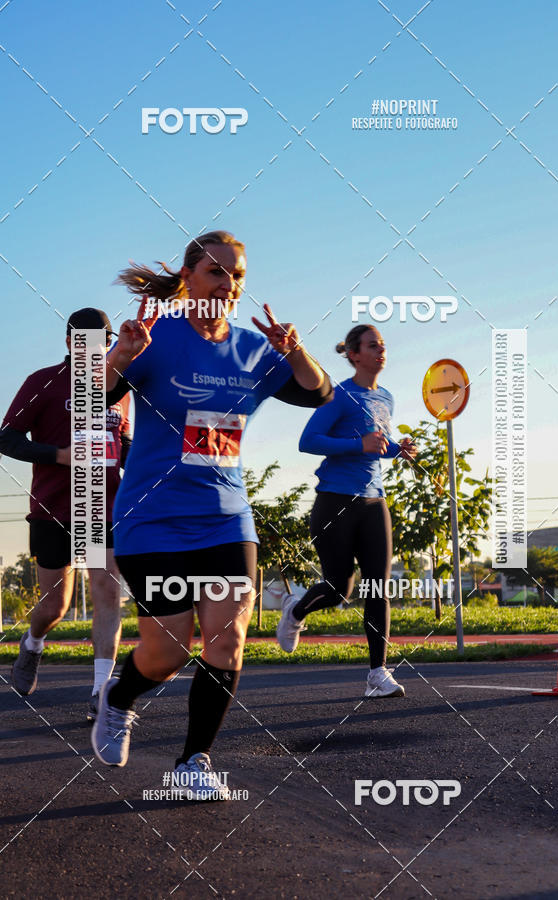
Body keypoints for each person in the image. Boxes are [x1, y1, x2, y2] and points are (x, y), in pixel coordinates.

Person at [91, 230, 332, 799]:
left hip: (225, 517)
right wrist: (120, 357)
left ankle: (193, 762)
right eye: (216, 272)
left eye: (237, 275)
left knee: (227, 641)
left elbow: (318, 393)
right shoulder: (155, 337)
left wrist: (294, 349)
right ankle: (119, 699)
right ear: (188, 277)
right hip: (152, 518)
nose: (229, 284)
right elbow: (88, 398)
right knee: (168, 651)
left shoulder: (252, 349)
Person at [0, 308, 130, 721]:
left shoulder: (120, 388)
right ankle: (33, 643)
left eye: (103, 343)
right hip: (52, 509)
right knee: (55, 606)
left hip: (101, 509)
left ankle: (101, 691)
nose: (94, 350)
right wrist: (60, 455)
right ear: (70, 343)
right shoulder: (43, 382)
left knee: (107, 593)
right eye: (84, 342)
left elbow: (124, 443)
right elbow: (7, 438)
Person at [276, 324, 417, 697]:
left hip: (374, 501)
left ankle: (378, 674)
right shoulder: (339, 395)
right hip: (335, 501)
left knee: (378, 587)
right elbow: (308, 441)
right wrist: (359, 444)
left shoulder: (386, 397)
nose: (381, 350)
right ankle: (296, 610)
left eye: (382, 345)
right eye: (372, 345)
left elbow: (378, 444)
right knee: (340, 588)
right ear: (354, 355)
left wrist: (397, 449)